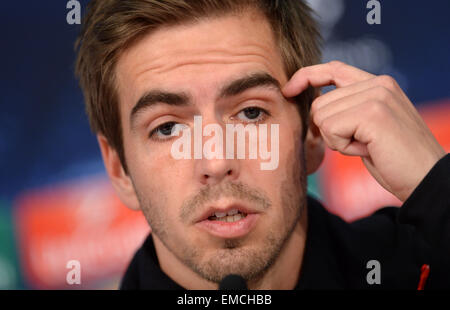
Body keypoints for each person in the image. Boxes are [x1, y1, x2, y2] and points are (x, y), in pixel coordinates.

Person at [74, 0, 449, 289]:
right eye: (168, 128)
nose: (217, 160)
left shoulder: (424, 263)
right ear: (119, 168)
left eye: (251, 113)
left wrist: (438, 188)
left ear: (312, 131)